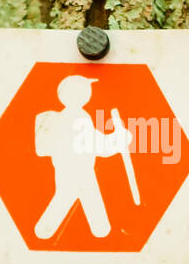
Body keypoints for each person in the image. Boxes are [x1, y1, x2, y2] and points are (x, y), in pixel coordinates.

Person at [34, 75, 132, 239]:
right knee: (68, 196)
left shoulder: (75, 116)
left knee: (85, 197)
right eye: (85, 89)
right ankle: (43, 231)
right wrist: (117, 140)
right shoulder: (76, 118)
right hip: (75, 169)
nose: (89, 92)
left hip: (76, 169)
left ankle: (101, 232)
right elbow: (95, 144)